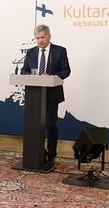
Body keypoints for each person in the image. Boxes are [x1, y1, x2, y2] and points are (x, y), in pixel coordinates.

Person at [21, 24, 71, 165]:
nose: (40, 41)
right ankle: (37, 152)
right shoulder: (30, 52)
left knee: (50, 124)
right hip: (34, 96)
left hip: (51, 94)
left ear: (49, 36)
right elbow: (24, 70)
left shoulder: (60, 51)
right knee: (34, 125)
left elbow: (66, 71)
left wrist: (51, 77)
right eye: (37, 38)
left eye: (43, 37)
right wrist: (30, 75)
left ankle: (51, 153)